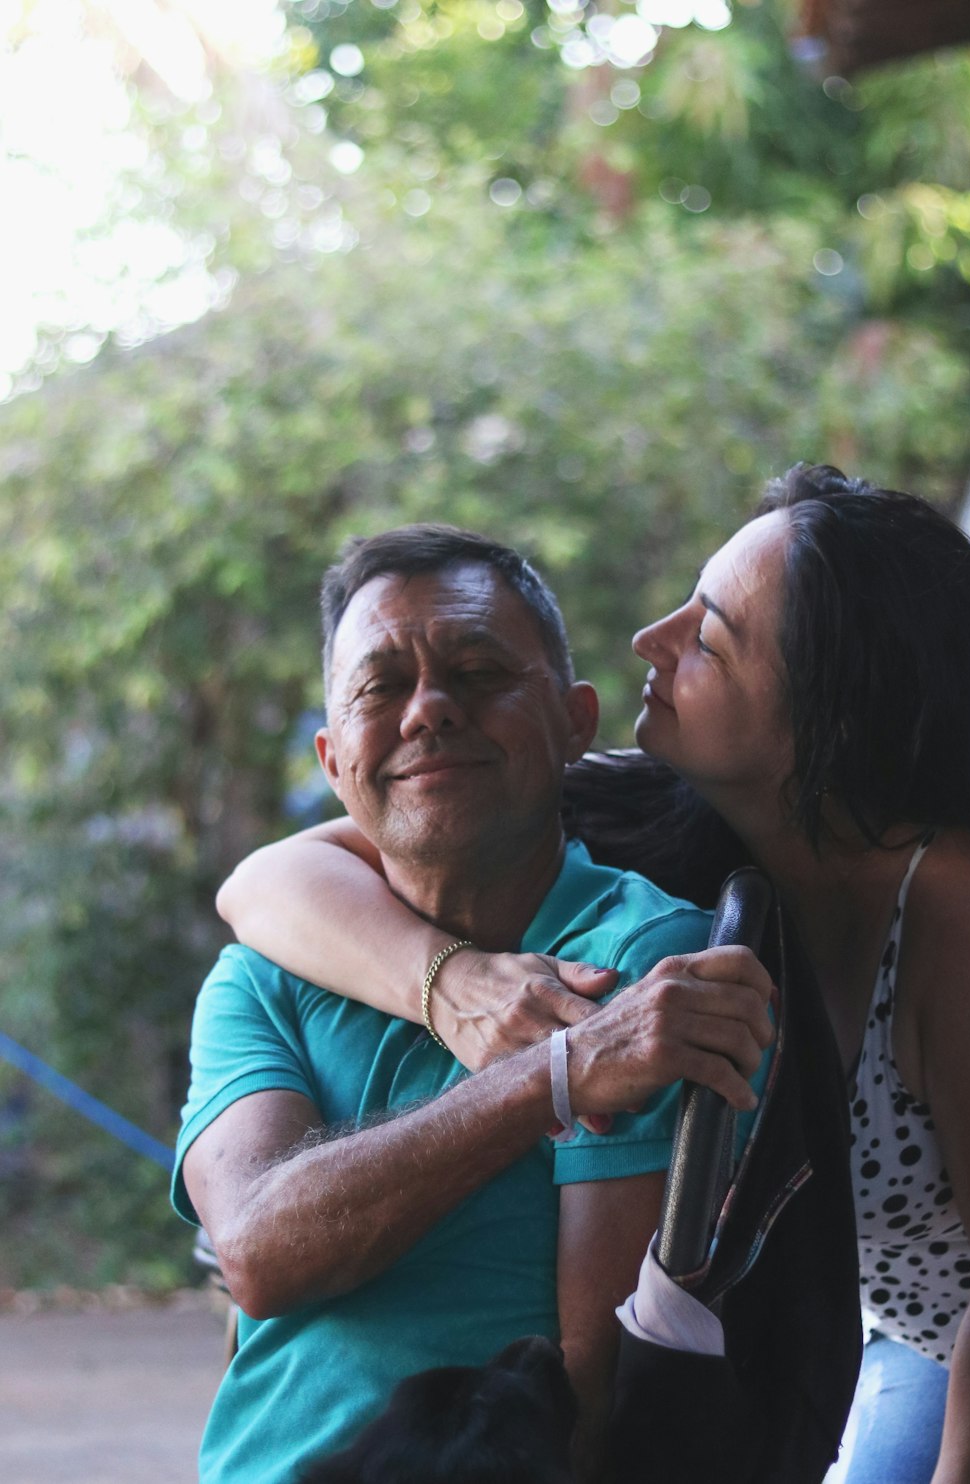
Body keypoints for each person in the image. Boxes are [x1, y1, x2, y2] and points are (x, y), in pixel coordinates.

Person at [220, 465, 970, 1484]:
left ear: (821, 709)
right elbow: (266, 880)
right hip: (884, 1334)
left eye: (708, 635)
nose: (651, 638)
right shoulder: (652, 813)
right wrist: (448, 982)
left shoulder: (947, 902)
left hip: (954, 1345)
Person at [175, 525, 776, 1484]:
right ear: (334, 761)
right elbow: (257, 1248)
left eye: (479, 670)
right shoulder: (261, 977)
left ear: (577, 721)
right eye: (382, 686)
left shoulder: (646, 963)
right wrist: (554, 1078)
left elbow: (595, 1401)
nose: (430, 713)